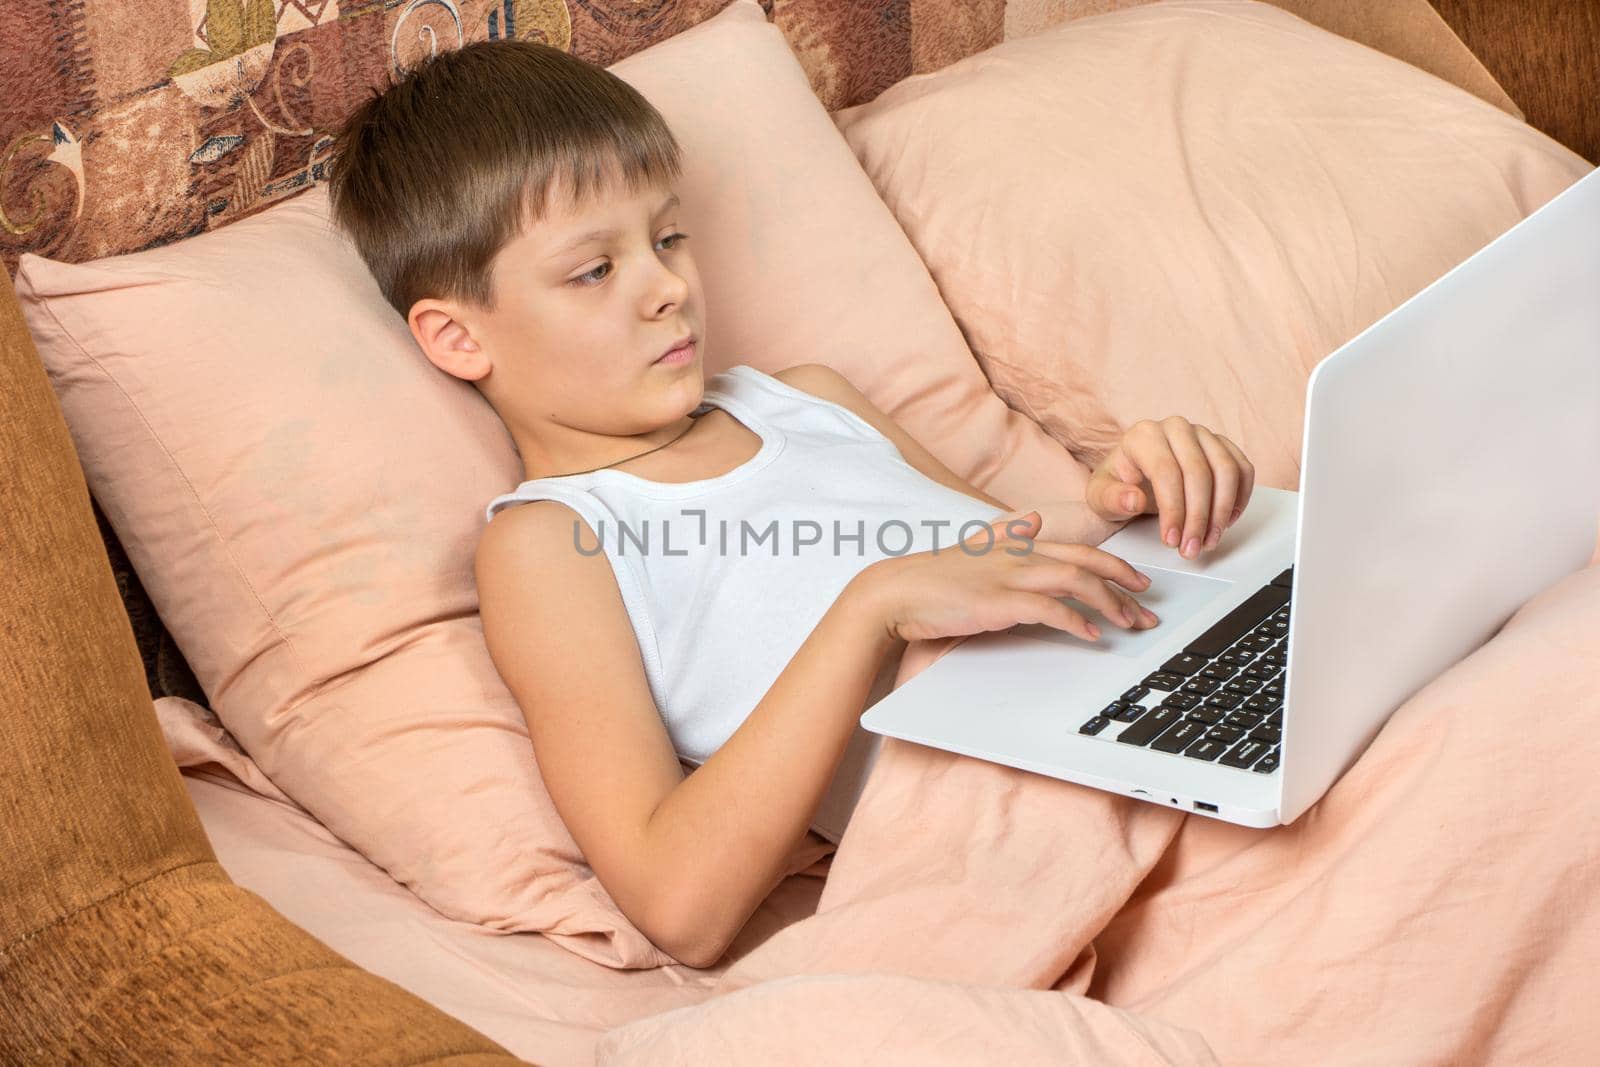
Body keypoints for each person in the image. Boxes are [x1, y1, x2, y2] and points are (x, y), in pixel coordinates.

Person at [327, 39, 1256, 970]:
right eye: (593, 271)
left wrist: (1129, 500)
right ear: (457, 336)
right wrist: (872, 608)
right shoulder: (554, 539)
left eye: (667, 237)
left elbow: (1006, 561)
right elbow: (677, 903)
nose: (669, 287)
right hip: (1020, 808)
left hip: (1141, 696)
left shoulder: (809, 400)